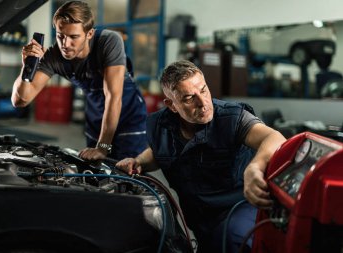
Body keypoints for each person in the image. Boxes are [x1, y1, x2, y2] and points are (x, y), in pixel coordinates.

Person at [116, 60, 286, 253]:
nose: (203, 103)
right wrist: (138, 161)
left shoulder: (232, 118)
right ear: (172, 105)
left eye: (204, 90)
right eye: (189, 98)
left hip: (239, 207)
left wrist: (255, 167)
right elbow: (158, 153)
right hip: (199, 217)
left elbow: (274, 137)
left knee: (232, 240)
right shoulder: (159, 125)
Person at [11, 1, 147, 160]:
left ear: (89, 34)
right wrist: (26, 67)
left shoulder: (109, 42)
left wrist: (102, 148)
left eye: (73, 37)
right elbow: (20, 100)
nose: (65, 44)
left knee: (128, 170)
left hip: (128, 116)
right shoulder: (54, 56)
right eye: (60, 36)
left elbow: (113, 97)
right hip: (96, 117)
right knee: (97, 174)